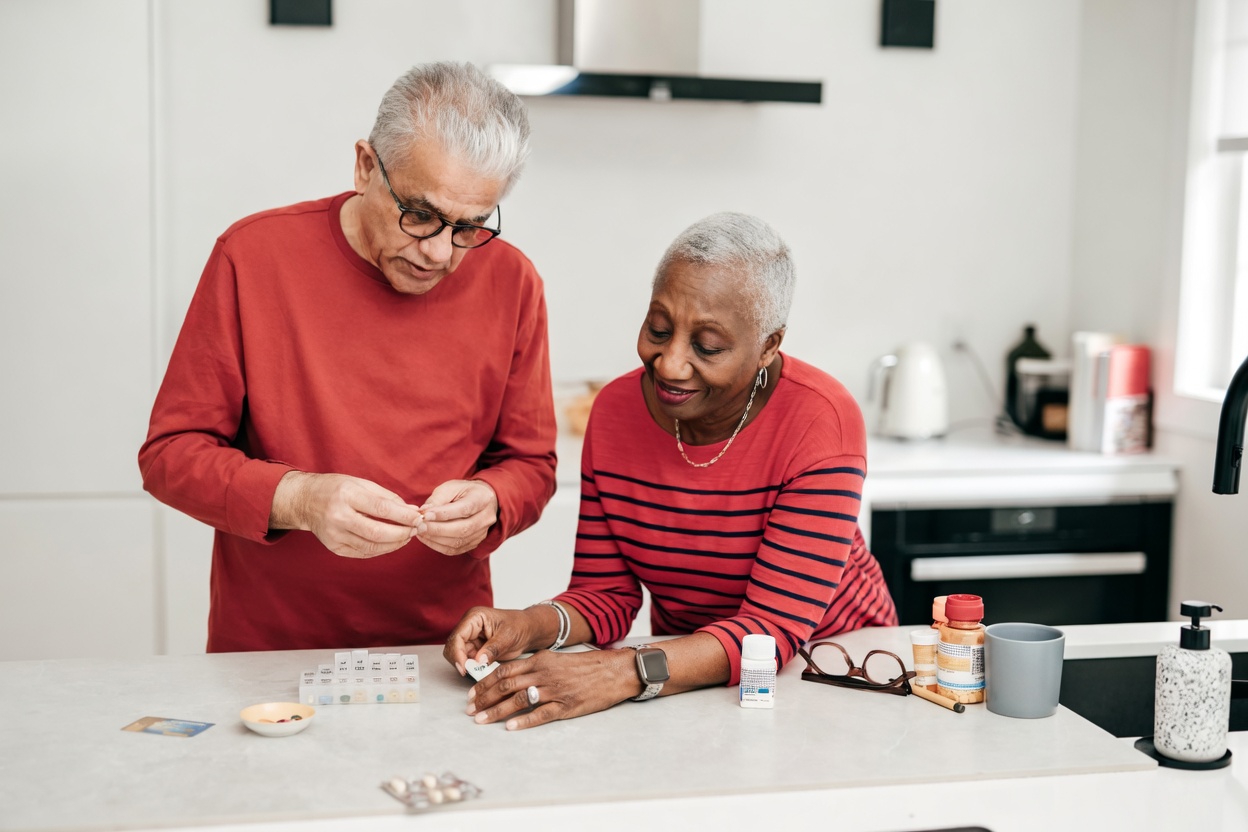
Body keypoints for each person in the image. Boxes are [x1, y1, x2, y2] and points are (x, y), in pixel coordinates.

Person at [139, 62, 557, 652]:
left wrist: (493, 501)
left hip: (445, 651)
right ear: (365, 167)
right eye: (419, 214)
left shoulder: (513, 282)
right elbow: (170, 456)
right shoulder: (253, 258)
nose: (439, 252)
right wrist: (302, 500)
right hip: (270, 655)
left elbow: (532, 465)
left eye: (469, 226)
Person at [445, 212, 897, 730]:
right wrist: (526, 626)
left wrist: (622, 672)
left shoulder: (821, 422)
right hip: (689, 674)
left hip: (840, 669)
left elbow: (770, 632)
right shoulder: (615, 412)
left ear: (769, 345)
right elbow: (607, 595)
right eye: (658, 328)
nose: (670, 363)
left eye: (707, 347)